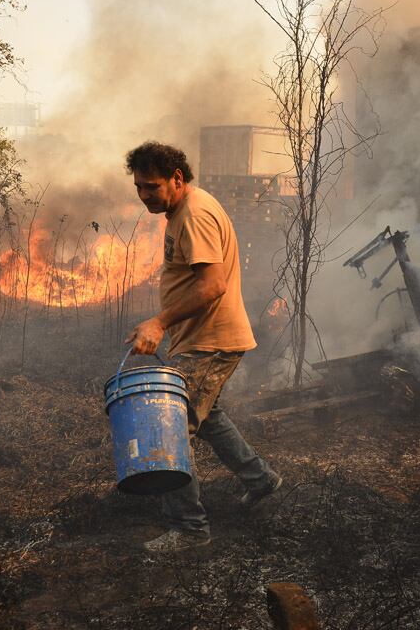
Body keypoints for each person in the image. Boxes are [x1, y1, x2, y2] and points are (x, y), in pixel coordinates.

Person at [124, 141, 282, 553]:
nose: (145, 195)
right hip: (202, 337)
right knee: (209, 418)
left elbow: (213, 285)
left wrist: (159, 322)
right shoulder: (180, 209)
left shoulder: (194, 214)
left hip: (212, 341)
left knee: (171, 428)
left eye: (152, 187)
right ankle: (260, 479)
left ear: (177, 178)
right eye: (139, 187)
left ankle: (190, 529)